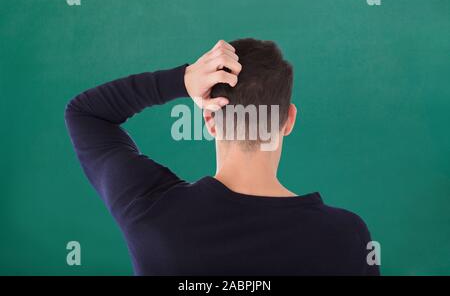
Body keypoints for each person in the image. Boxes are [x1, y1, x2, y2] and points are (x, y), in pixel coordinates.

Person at [65, 38, 380, 275]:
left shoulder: (152, 211)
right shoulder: (347, 238)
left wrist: (183, 80)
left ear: (210, 121)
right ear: (289, 120)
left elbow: (85, 114)